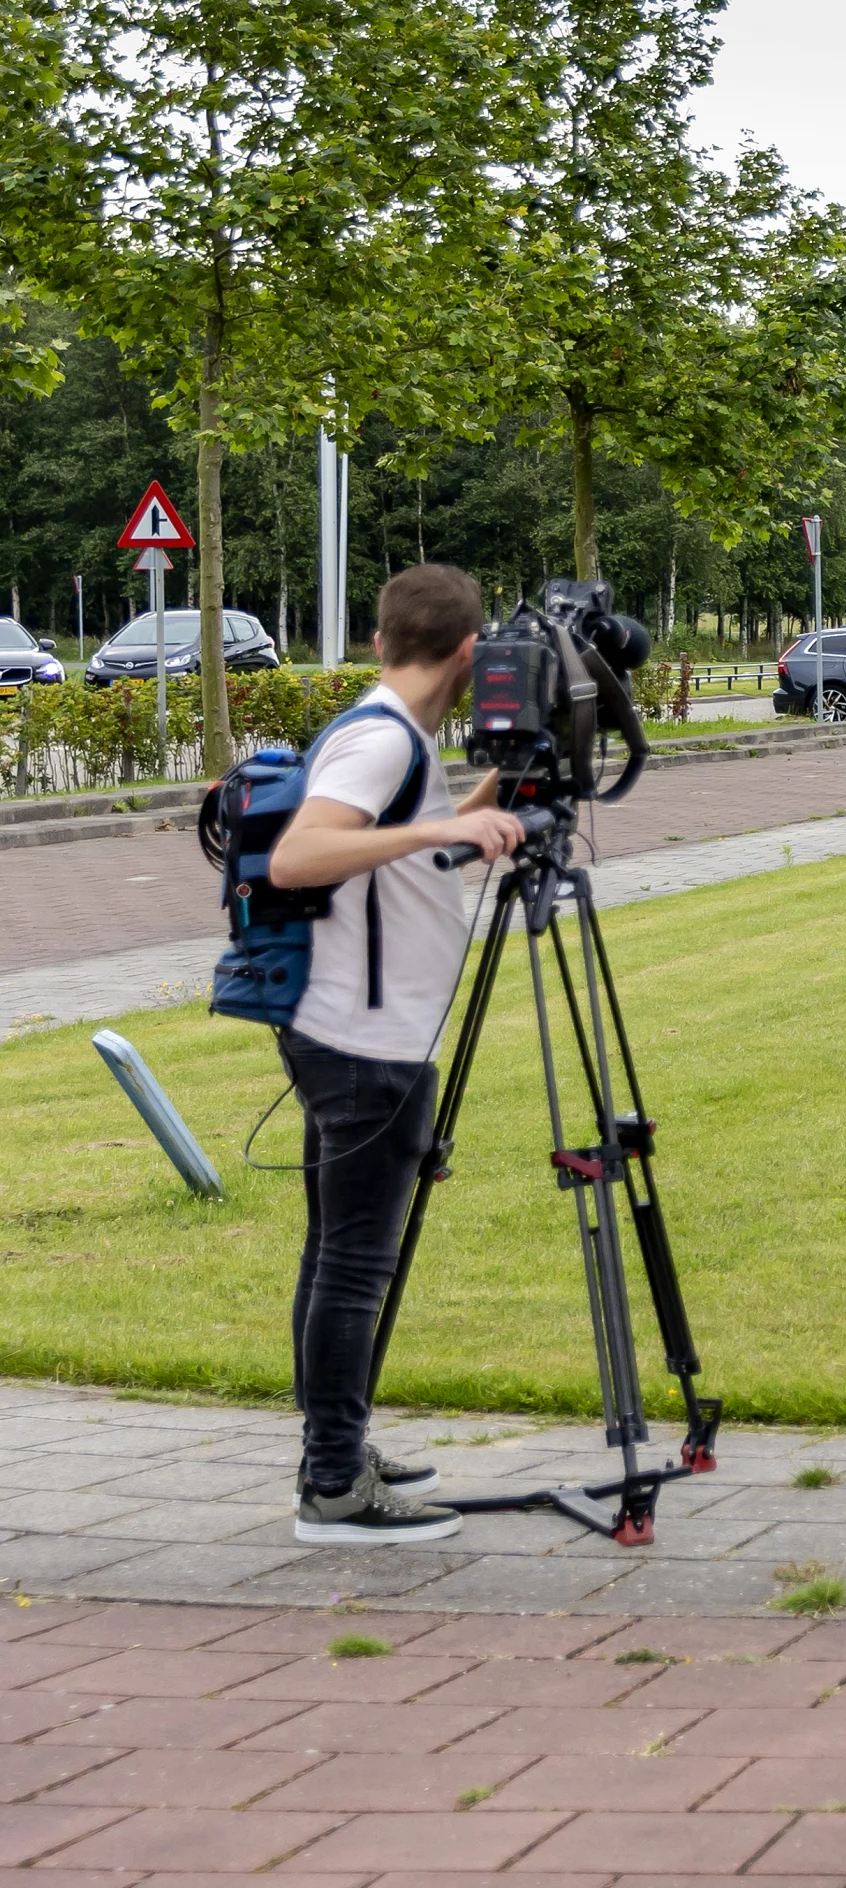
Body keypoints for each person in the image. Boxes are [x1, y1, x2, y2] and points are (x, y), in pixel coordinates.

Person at [262, 563, 528, 1545]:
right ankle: (334, 1483)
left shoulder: (394, 734)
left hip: (354, 1031)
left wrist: (490, 796)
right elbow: (301, 854)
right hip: (364, 1041)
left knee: (334, 1252)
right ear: (468, 653)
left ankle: (333, 1451)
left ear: (382, 641)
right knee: (354, 1264)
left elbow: (422, 850)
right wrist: (443, 820)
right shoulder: (379, 737)